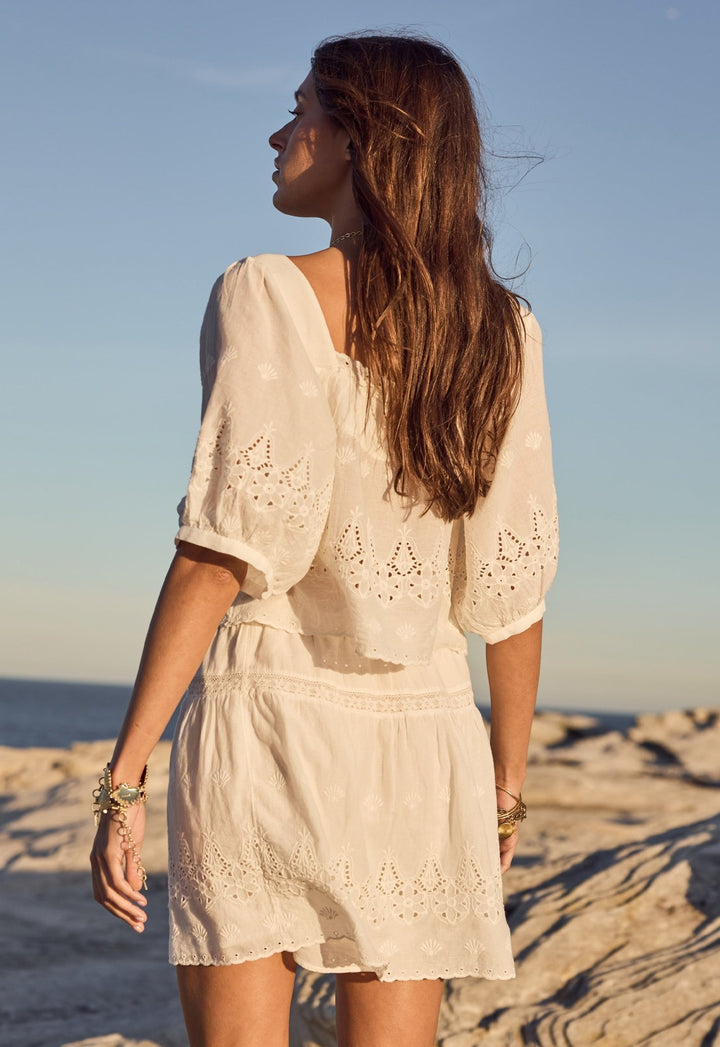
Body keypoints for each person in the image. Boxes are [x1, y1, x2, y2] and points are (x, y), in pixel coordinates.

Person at [90, 31, 558, 1047]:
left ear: (358, 140)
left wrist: (123, 777)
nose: (277, 133)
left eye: (300, 110)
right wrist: (505, 788)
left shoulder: (268, 292)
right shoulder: (502, 330)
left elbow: (227, 547)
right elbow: (512, 585)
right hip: (425, 739)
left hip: (269, 724)